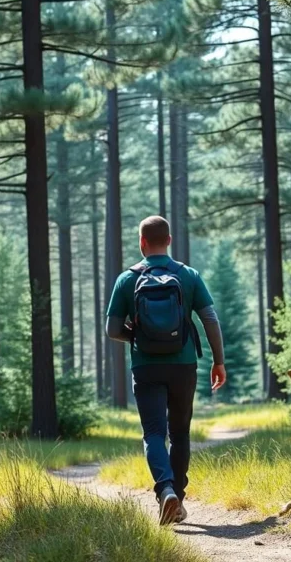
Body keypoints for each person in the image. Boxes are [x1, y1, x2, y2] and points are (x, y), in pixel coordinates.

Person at [105, 215, 226, 525]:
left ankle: (166, 491)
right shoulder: (188, 275)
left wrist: (136, 335)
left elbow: (111, 329)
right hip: (183, 365)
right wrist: (218, 361)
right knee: (180, 433)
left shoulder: (127, 279)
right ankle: (179, 499)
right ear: (169, 241)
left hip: (146, 366)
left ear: (142, 243)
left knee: (154, 433)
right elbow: (209, 319)